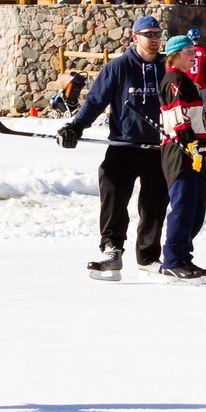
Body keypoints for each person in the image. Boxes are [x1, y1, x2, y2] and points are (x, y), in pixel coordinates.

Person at [60, 15, 168, 280]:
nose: (153, 39)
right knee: (112, 193)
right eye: (148, 34)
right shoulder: (118, 67)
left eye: (157, 34)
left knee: (155, 204)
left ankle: (149, 256)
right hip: (123, 144)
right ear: (135, 37)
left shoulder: (168, 68)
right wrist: (76, 127)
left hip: (159, 147)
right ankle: (112, 250)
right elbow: (96, 101)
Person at [153, 34, 206, 282]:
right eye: (189, 52)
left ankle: (183, 256)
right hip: (181, 151)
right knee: (184, 206)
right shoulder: (174, 80)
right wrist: (191, 143)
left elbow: (194, 117)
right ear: (176, 55)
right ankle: (173, 259)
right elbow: (179, 119)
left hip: (194, 150)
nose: (194, 56)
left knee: (195, 209)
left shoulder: (185, 80)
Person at [185, 27, 206, 97]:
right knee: (202, 107)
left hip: (187, 85)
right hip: (202, 84)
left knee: (188, 107)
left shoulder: (184, 50)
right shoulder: (204, 50)